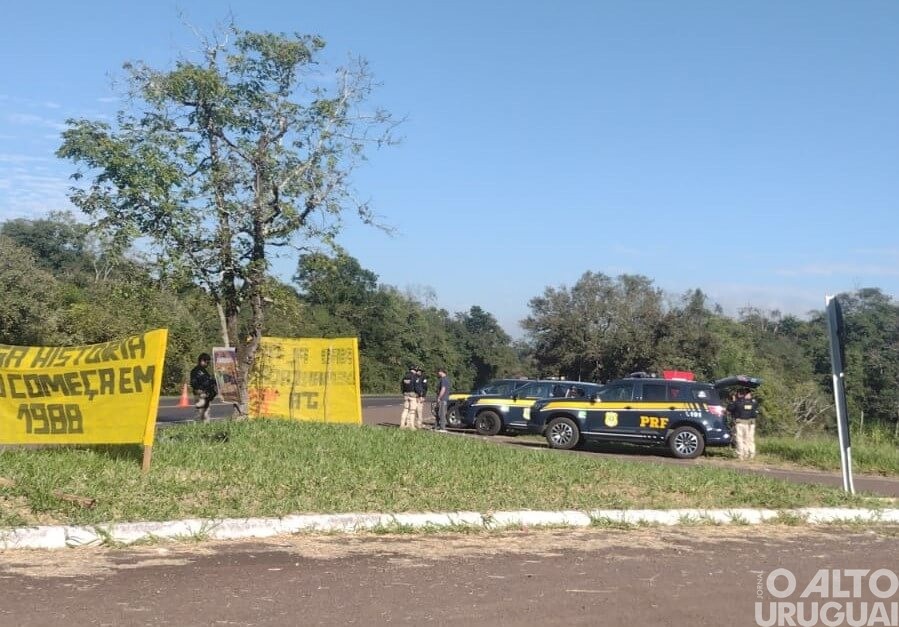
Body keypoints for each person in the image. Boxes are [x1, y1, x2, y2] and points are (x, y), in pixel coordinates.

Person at [728, 389, 759, 460]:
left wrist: (733, 400)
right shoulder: (754, 402)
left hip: (741, 423)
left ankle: (741, 455)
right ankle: (750, 454)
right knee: (749, 439)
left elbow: (730, 408)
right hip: (750, 423)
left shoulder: (738, 402)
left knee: (740, 439)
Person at [189, 353, 218, 422]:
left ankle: (205, 426)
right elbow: (194, 383)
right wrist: (199, 391)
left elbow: (209, 381)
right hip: (201, 393)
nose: (208, 364)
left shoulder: (203, 371)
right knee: (200, 412)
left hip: (206, 394)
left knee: (206, 411)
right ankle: (198, 427)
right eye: (207, 362)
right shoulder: (196, 371)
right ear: (202, 361)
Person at [435, 368, 452, 432]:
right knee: (440, 412)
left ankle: (442, 428)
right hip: (444, 398)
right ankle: (437, 426)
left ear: (441, 372)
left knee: (442, 413)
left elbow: (443, 389)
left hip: (443, 398)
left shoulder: (443, 379)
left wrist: (439, 397)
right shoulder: (446, 379)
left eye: (438, 372)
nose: (438, 373)